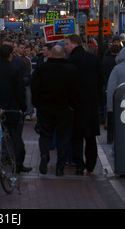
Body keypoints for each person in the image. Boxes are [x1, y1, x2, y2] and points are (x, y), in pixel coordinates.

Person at [31, 45, 79, 176]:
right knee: (64, 137)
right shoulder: (71, 70)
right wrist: (73, 105)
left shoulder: (42, 68)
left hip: (45, 107)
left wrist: (37, 103)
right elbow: (76, 91)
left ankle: (45, 154)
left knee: (45, 134)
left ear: (51, 55)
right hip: (65, 108)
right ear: (63, 55)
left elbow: (34, 87)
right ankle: (60, 166)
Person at [64, 34, 103, 175]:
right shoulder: (93, 58)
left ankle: (79, 164)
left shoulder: (70, 61)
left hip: (75, 104)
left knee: (77, 136)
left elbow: (67, 84)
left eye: (67, 44)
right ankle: (91, 163)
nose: (65, 47)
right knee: (91, 136)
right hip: (91, 102)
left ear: (74, 44)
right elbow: (100, 80)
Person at [0, 44, 32, 174]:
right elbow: (19, 90)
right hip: (13, 108)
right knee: (16, 137)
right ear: (10, 55)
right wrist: (23, 106)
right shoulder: (15, 69)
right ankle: (18, 163)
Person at [106, 45, 125, 155]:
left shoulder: (117, 69)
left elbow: (111, 89)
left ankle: (118, 151)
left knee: (122, 131)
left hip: (121, 105)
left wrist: (110, 107)